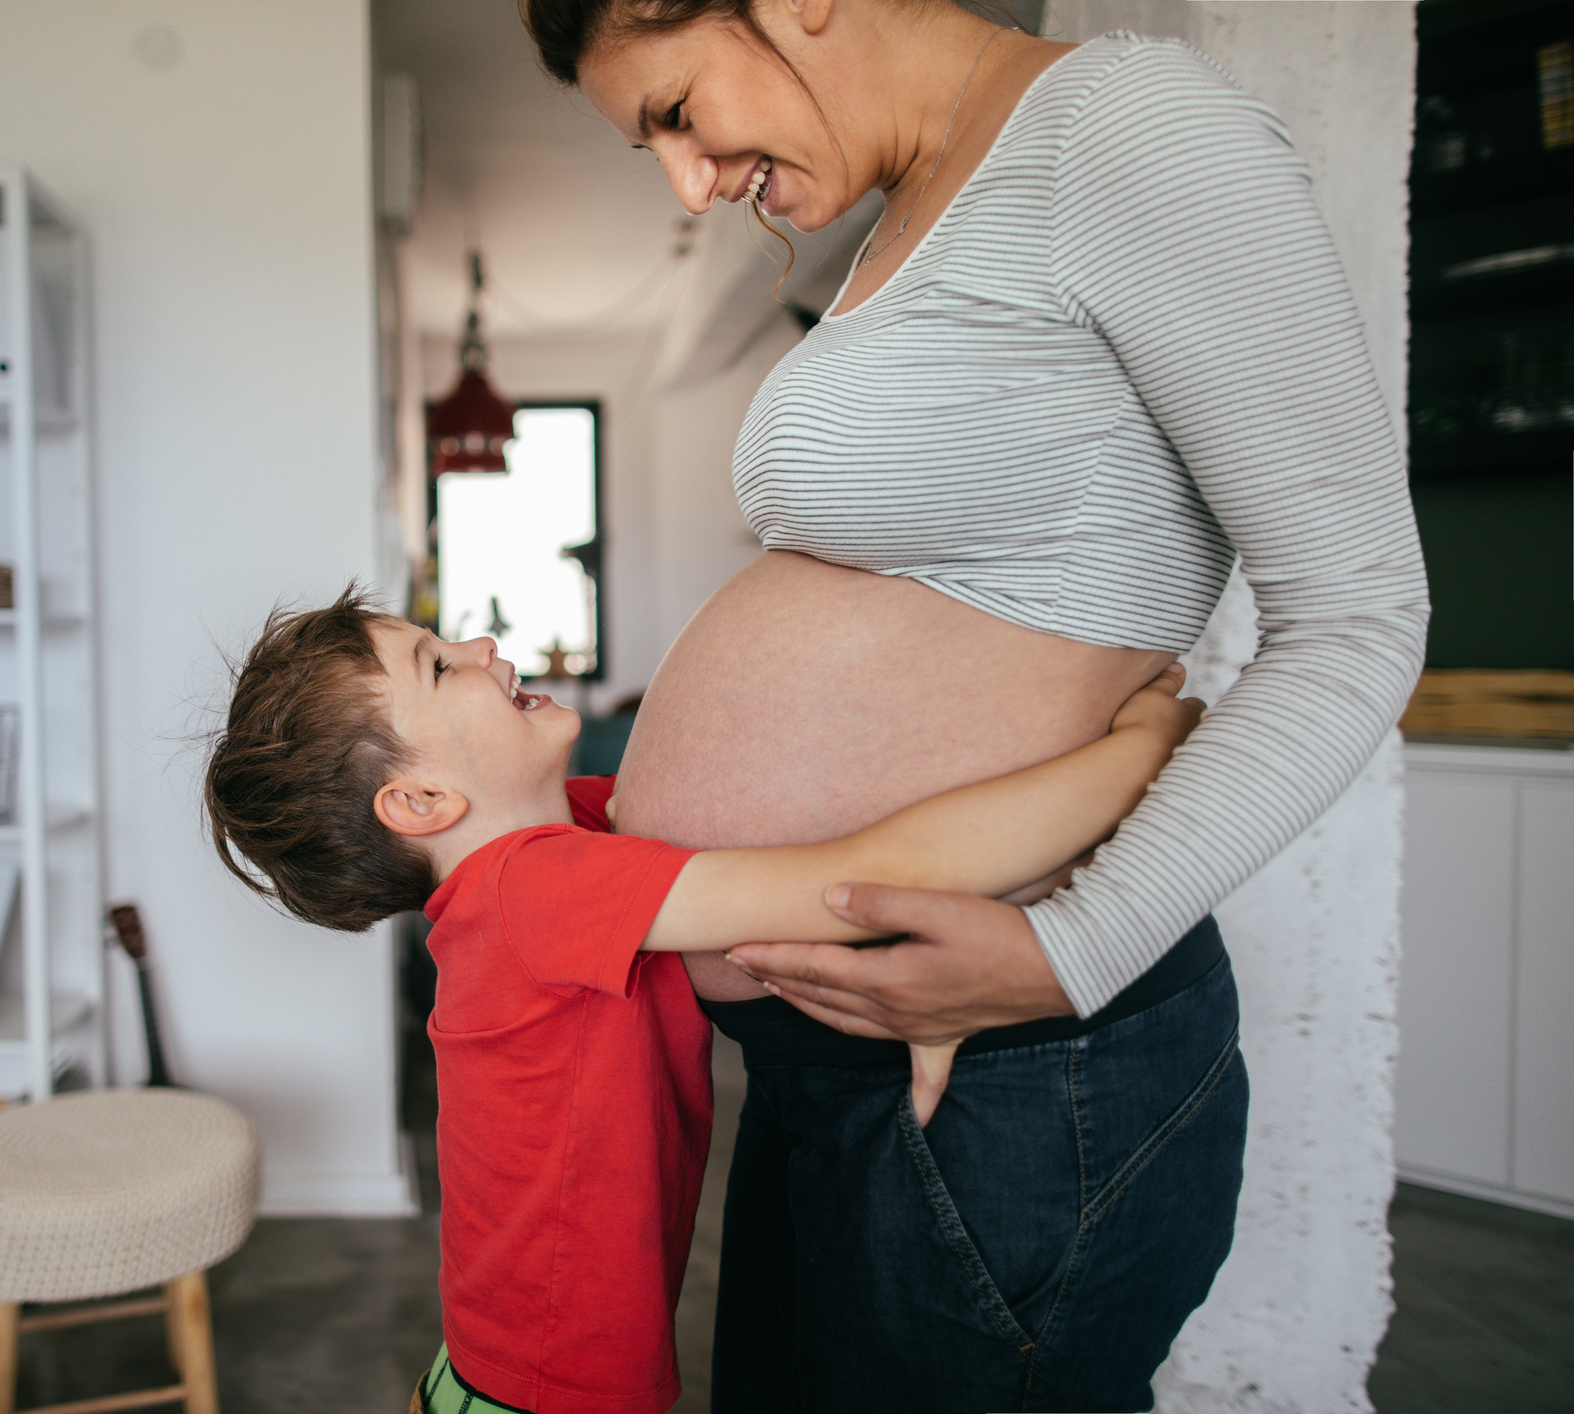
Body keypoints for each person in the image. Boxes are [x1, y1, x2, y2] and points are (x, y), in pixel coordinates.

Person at [521, 0, 1429, 1408]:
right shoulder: (908, 210)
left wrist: (1069, 949)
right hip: (842, 1065)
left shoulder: (1125, 130)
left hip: (1005, 1068)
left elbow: (1360, 613)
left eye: (677, 113)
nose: (688, 182)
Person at [202, 585, 1204, 1414]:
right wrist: (1146, 745)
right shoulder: (530, 893)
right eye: (437, 664)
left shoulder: (567, 843)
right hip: (546, 1394)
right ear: (422, 805)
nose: (480, 643)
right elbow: (872, 877)